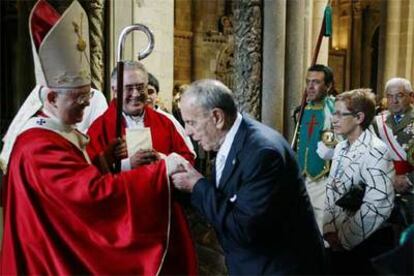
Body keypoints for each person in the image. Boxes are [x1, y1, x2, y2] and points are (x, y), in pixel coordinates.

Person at [0, 1, 197, 274]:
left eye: (87, 97)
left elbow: (77, 182)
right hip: (47, 256)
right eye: (79, 99)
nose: (87, 106)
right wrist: (158, 171)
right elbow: (90, 195)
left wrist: (103, 160)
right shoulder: (37, 146)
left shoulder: (62, 132)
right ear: (52, 97)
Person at [170, 79, 326, 275]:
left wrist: (197, 185)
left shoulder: (263, 153)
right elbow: (224, 197)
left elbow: (243, 229)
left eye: (191, 122)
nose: (187, 131)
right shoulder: (233, 138)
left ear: (217, 117)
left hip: (277, 268)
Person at [323, 88, 395, 275]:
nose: (334, 119)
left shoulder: (376, 150)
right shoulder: (340, 147)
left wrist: (345, 239)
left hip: (363, 243)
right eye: (334, 112)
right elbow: (331, 188)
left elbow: (378, 204)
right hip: (335, 238)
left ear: (359, 117)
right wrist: (329, 228)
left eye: (340, 114)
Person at [87, 62, 196, 170]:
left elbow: (188, 159)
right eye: (129, 88)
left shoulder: (164, 123)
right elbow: (89, 172)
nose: (136, 94)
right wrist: (127, 164)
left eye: (140, 87)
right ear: (115, 90)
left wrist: (164, 160)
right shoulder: (100, 127)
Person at [295, 64, 336, 234]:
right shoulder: (302, 110)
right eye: (308, 82)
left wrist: (332, 148)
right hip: (301, 178)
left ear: (328, 86)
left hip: (323, 179)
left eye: (316, 82)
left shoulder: (334, 109)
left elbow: (338, 140)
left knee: (321, 229)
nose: (310, 87)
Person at [373, 78, 414, 226]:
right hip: (384, 190)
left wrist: (409, 179)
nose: (394, 101)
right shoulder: (377, 122)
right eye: (389, 96)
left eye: (399, 95)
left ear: (411, 96)